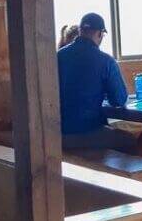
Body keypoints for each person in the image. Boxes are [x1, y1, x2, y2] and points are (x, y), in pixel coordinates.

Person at [57, 12, 136, 153]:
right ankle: (118, 175)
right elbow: (119, 100)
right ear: (100, 34)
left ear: (80, 31)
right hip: (89, 132)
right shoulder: (106, 61)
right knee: (129, 141)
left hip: (59, 135)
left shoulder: (58, 56)